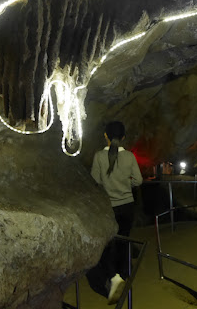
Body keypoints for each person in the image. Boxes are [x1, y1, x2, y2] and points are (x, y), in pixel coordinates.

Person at [89, 121, 143, 305]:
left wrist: (108, 184)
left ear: (105, 136)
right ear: (124, 137)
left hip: (108, 206)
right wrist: (125, 184)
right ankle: (124, 273)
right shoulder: (129, 156)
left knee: (108, 243)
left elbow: (95, 181)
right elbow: (138, 180)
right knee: (124, 239)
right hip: (127, 205)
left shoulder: (99, 156)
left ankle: (112, 276)